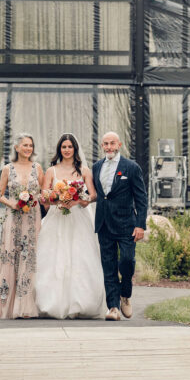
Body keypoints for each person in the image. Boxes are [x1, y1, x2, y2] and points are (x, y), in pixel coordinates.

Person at [35, 133, 107, 319]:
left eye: (70, 147)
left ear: (75, 149)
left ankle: (81, 303)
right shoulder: (52, 171)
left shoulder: (84, 170)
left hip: (79, 219)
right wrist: (57, 199)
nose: (67, 150)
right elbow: (44, 197)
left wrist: (78, 200)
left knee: (81, 258)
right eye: (63, 147)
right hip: (56, 218)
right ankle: (52, 303)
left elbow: (93, 195)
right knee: (54, 258)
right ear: (60, 149)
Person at [92, 131, 148, 321]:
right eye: (105, 144)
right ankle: (113, 307)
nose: (109, 147)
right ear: (102, 146)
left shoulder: (131, 167)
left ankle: (126, 293)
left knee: (127, 261)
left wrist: (140, 225)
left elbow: (141, 198)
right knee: (108, 266)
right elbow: (97, 194)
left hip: (126, 225)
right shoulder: (96, 167)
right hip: (104, 224)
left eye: (112, 143)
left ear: (119, 145)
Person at [0, 133, 44, 319]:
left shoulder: (38, 167)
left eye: (31, 145)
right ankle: (7, 305)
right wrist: (11, 203)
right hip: (13, 217)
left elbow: (44, 193)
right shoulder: (7, 169)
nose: (28, 148)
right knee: (11, 256)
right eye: (25, 145)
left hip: (32, 218)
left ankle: (26, 306)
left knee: (29, 256)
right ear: (17, 147)